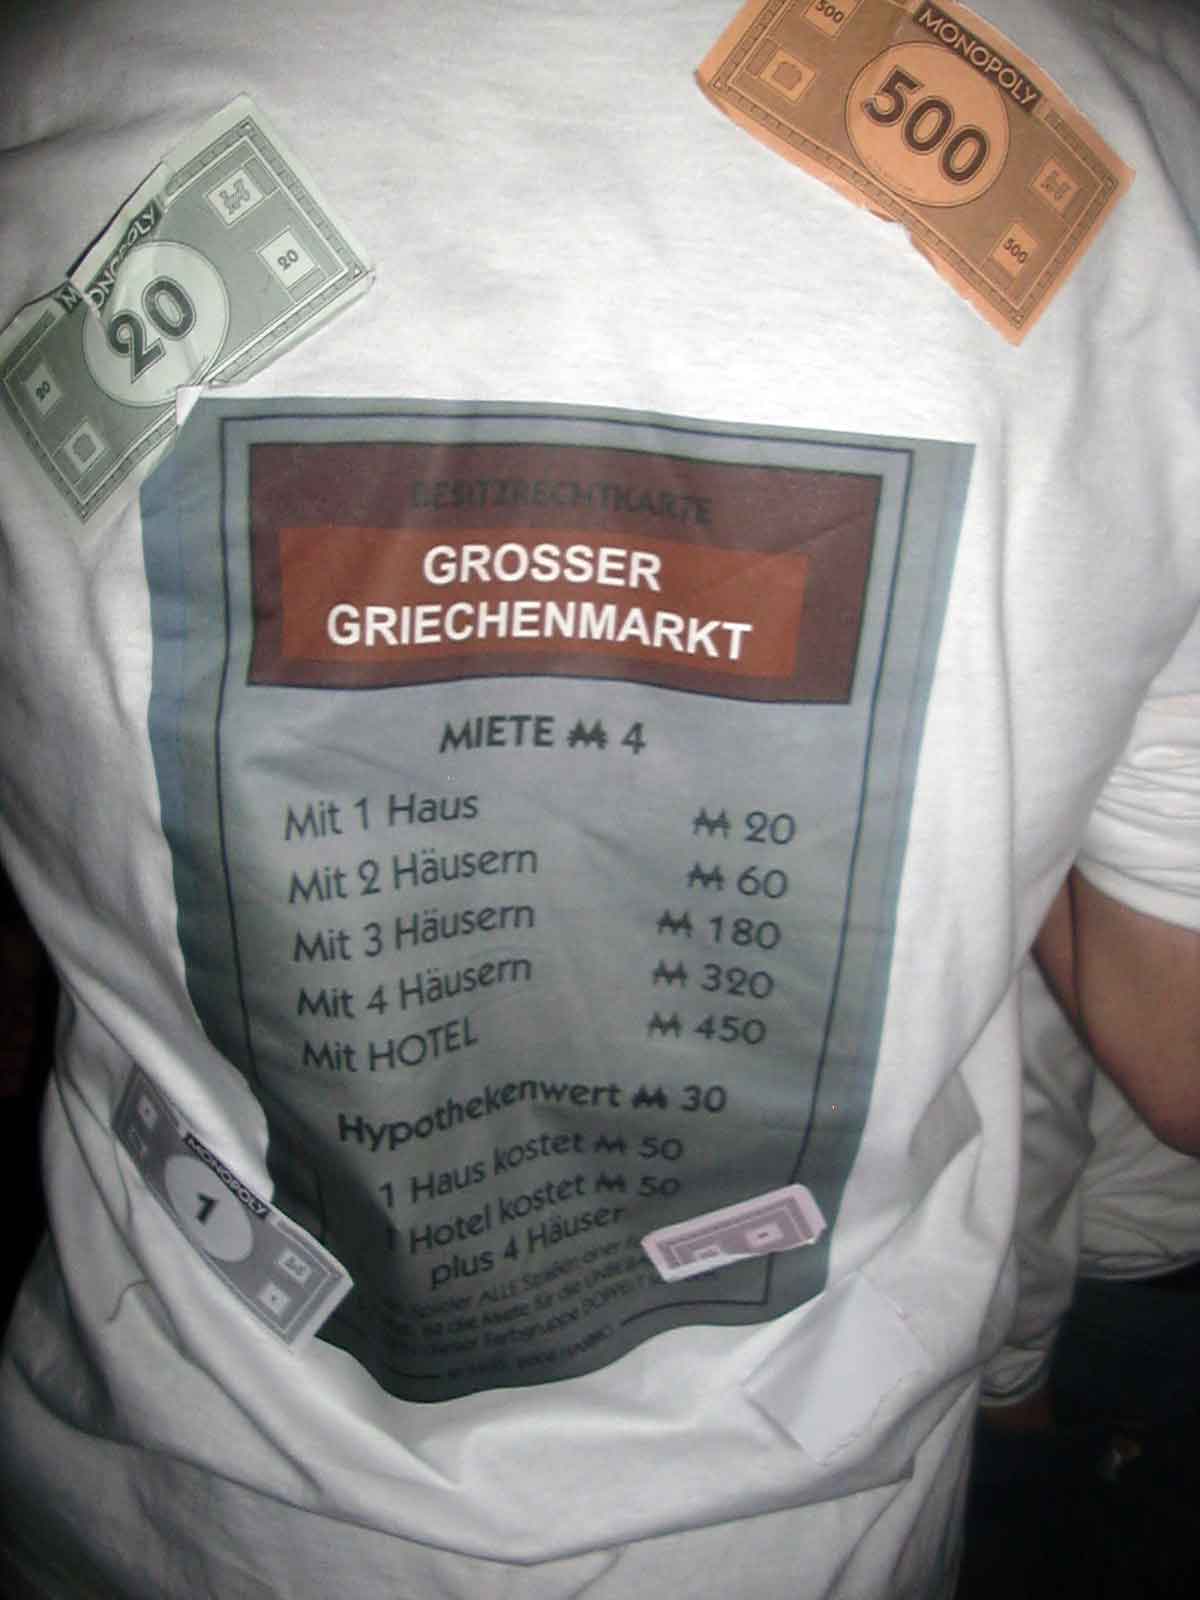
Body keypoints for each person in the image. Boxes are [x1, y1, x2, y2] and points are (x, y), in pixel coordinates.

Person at [0, 2, 1197, 1596]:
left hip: (162, 1493)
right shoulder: (1131, 145)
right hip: (788, 1533)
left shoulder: (50, 82)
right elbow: (1180, 1051)